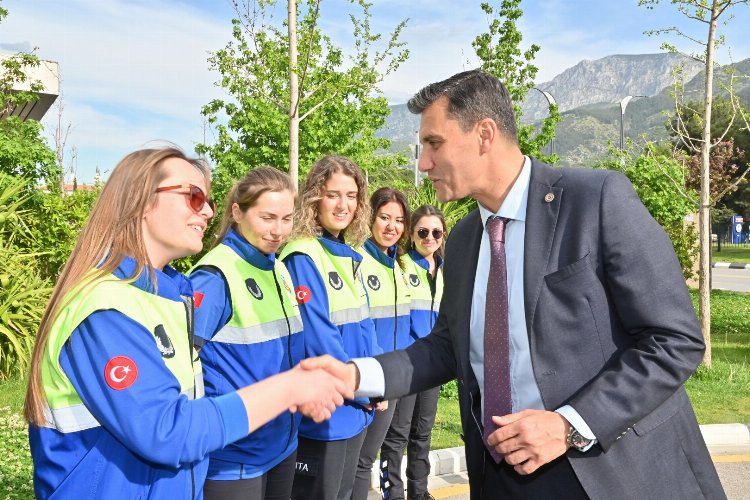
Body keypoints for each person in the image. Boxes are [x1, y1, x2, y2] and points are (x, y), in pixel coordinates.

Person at [303, 70, 726, 499]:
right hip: (500, 478)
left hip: (612, 475)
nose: (424, 163)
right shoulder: (464, 239)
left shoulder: (596, 200)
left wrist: (569, 425)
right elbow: (446, 348)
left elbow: (674, 339)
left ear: (484, 134)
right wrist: (355, 375)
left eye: (434, 144)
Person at [24, 147, 351, 499]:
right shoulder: (104, 309)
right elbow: (167, 431)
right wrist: (290, 388)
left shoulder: (164, 294)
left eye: (208, 201)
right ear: (141, 201)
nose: (208, 211)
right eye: (194, 197)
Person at [188, 167, 302, 499]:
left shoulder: (277, 267)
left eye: (286, 218)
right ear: (237, 212)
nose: (278, 230)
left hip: (281, 445)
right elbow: (180, 370)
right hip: (234, 457)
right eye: (267, 218)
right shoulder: (215, 276)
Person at [279, 155, 381, 500]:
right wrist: (365, 388)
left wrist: (378, 381)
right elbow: (319, 339)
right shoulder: (303, 255)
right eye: (333, 194)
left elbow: (364, 327)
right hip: (325, 414)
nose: (343, 205)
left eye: (351, 196)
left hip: (354, 409)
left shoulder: (346, 253)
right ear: (314, 198)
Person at [377, 205, 446, 500]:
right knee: (397, 435)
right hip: (406, 363)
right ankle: (393, 494)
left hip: (434, 366)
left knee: (422, 433)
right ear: (412, 233)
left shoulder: (446, 271)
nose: (430, 238)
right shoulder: (401, 266)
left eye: (436, 232)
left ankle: (419, 492)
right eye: (423, 231)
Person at [351, 188, 412, 500]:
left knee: (377, 454)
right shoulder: (358, 261)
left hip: (396, 377)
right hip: (373, 379)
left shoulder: (397, 265)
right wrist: (375, 383)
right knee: (361, 460)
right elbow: (361, 329)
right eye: (384, 217)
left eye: (399, 220)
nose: (392, 226)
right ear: (370, 218)